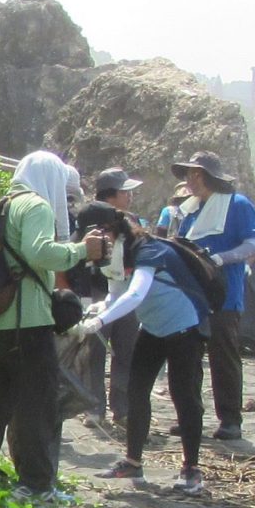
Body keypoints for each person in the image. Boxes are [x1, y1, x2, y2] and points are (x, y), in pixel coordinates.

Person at [0, 151, 104, 502]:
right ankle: (35, 483)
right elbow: (40, 253)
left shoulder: (3, 205)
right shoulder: (36, 206)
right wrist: (81, 250)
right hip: (27, 319)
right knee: (37, 400)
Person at [76, 203, 214, 497]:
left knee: (184, 397)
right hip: (153, 329)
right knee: (136, 391)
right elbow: (116, 294)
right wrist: (96, 311)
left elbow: (136, 293)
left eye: (95, 234)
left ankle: (191, 469)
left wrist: (101, 321)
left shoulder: (148, 249)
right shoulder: (113, 254)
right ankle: (133, 461)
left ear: (110, 231)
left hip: (185, 328)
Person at [165, 152, 255, 442]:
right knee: (187, 356)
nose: (190, 181)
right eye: (187, 175)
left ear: (210, 176)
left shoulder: (237, 205)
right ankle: (189, 415)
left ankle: (230, 418)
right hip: (192, 293)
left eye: (196, 174)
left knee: (224, 356)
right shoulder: (190, 209)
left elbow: (252, 244)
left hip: (224, 292)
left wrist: (220, 259)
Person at [90, 168, 144, 418]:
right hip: (97, 294)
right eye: (125, 191)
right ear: (110, 196)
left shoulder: (133, 221)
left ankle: (121, 408)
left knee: (127, 351)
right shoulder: (88, 220)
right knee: (95, 352)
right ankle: (94, 407)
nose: (129, 196)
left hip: (126, 294)